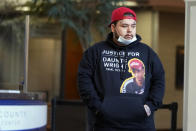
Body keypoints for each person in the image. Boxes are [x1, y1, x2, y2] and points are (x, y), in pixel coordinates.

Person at [78, 7, 165, 131]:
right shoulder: (96, 51)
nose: (130, 30)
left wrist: (150, 107)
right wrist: (98, 107)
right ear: (113, 27)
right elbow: (84, 80)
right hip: (105, 124)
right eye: (124, 26)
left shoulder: (147, 53)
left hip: (141, 124)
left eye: (133, 26)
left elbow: (159, 80)